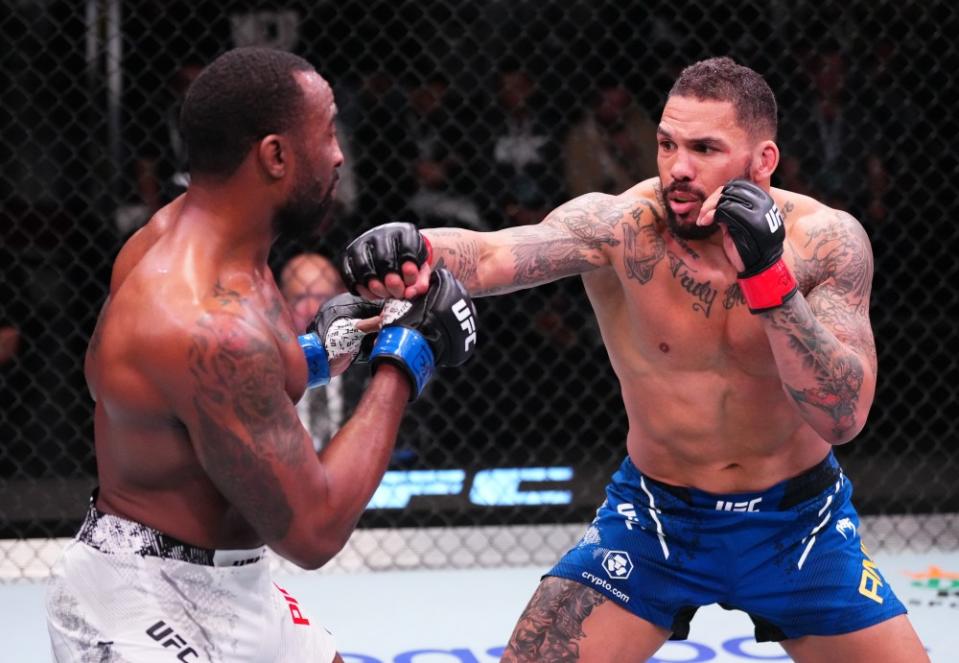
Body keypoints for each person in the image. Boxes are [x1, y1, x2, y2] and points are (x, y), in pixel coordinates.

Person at [339, 57, 929, 662]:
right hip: (657, 517)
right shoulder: (622, 227)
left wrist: (769, 279)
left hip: (799, 521)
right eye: (666, 143)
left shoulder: (828, 242)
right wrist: (416, 248)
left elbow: (844, 416)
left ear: (763, 162)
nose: (677, 168)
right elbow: (493, 256)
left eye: (704, 148)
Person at [46, 47, 478, 663]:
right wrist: (406, 355)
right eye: (328, 131)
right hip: (138, 604)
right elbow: (315, 529)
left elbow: (184, 396)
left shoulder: (189, 238)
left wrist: (325, 345)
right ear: (275, 155)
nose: (339, 154)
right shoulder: (205, 320)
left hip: (233, 579)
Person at [280, 252, 364, 450]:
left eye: (322, 298)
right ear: (283, 302)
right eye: (300, 298)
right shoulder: (270, 365)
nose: (311, 309)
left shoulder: (368, 363)